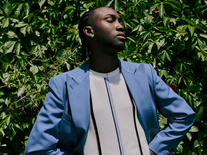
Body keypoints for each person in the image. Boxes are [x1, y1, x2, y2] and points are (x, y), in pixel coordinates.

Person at [24, 7, 195, 155]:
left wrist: (155, 149)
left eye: (120, 21)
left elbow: (183, 115)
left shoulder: (144, 74)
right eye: (110, 21)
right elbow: (38, 149)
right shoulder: (64, 85)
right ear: (89, 31)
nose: (120, 26)